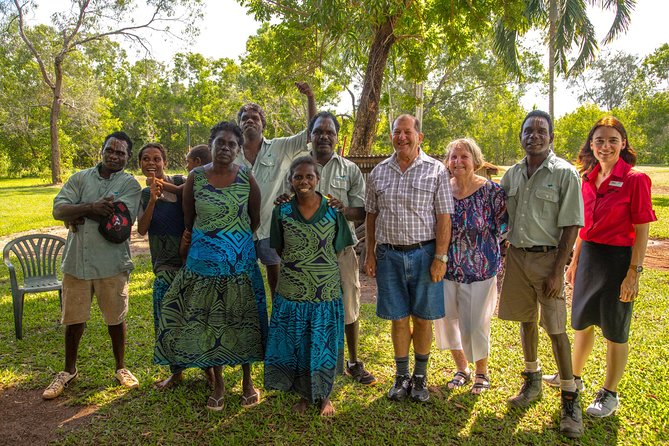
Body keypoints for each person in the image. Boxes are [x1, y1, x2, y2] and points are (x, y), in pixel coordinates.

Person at [542, 117, 656, 417]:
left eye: (612, 140)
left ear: (623, 144)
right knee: (581, 322)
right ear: (591, 145)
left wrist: (634, 271)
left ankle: (610, 393)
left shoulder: (635, 180)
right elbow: (584, 226)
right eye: (599, 141)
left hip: (618, 261)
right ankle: (574, 378)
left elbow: (642, 228)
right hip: (590, 257)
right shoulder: (588, 179)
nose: (605, 146)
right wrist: (574, 262)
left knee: (615, 330)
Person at [154, 121, 268, 411]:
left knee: (243, 321)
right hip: (203, 265)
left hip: (240, 264)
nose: (226, 148)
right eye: (221, 143)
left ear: (238, 149)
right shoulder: (195, 177)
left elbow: (254, 219)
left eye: (232, 144)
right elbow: (189, 218)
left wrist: (232, 240)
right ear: (212, 144)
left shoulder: (246, 177)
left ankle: (247, 382)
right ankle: (218, 383)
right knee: (209, 322)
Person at [498, 110, 584, 438]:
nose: (533, 135)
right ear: (520, 136)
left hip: (549, 260)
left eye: (540, 131)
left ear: (551, 137)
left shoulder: (564, 174)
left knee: (556, 328)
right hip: (518, 257)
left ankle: (569, 397)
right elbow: (501, 209)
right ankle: (532, 380)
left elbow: (572, 224)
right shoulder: (513, 174)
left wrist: (558, 269)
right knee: (526, 320)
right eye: (528, 131)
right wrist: (503, 236)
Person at [276, 111, 376, 385]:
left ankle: (353, 361)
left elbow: (364, 210)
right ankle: (305, 364)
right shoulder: (296, 166)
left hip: (340, 250)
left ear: (336, 137)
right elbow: (285, 201)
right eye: (319, 131)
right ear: (310, 135)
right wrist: (285, 198)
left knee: (348, 304)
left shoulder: (349, 169)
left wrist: (345, 209)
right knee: (306, 307)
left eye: (329, 132)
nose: (324, 137)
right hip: (304, 255)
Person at [43, 132, 142, 400]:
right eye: (110, 150)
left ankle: (121, 367)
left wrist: (78, 212)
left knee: (116, 318)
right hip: (77, 262)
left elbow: (120, 222)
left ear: (127, 157)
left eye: (120, 152)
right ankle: (68, 370)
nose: (114, 155)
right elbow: (58, 210)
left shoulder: (130, 184)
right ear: (102, 150)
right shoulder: (79, 178)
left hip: (112, 262)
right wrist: (90, 208)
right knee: (74, 321)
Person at [365, 114, 453, 403]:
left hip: (425, 253)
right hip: (389, 255)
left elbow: (443, 217)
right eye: (396, 132)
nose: (401, 137)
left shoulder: (436, 170)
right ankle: (401, 377)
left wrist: (440, 256)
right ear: (391, 136)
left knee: (423, 318)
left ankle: (420, 378)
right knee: (399, 319)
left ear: (419, 137)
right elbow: (371, 215)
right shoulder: (378, 172)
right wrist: (370, 254)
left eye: (407, 132)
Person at [265, 156, 353, 416]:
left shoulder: (333, 210)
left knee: (324, 343)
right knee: (300, 344)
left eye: (309, 176)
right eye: (298, 177)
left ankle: (325, 397)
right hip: (293, 291)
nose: (303, 181)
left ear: (318, 179)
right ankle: (304, 395)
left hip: (325, 292)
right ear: (291, 180)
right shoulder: (281, 211)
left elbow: (340, 247)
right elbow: (280, 248)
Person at [136, 142, 214, 389]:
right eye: (146, 159)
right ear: (140, 164)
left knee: (198, 318)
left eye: (156, 159)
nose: (151, 163)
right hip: (164, 264)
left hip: (191, 261)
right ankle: (176, 371)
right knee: (168, 318)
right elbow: (142, 229)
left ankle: (209, 372)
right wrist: (152, 200)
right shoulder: (143, 194)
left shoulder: (182, 180)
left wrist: (163, 186)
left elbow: (187, 191)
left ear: (165, 162)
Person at [433, 138, 506, 395]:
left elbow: (504, 226)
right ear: (447, 162)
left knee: (475, 324)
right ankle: (461, 368)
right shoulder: (442, 190)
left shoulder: (490, 192)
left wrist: (491, 249)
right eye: (453, 157)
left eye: (464, 157)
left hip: (480, 271)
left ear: (476, 161)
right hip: (446, 269)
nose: (458, 162)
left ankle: (481, 372)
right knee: (448, 321)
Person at [235, 82, 316, 296]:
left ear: (263, 124)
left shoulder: (280, 147)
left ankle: (278, 320)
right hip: (241, 230)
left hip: (272, 227)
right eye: (245, 119)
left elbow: (310, 133)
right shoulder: (232, 153)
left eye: (255, 118)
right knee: (243, 281)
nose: (250, 121)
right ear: (239, 125)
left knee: (276, 279)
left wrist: (310, 97)